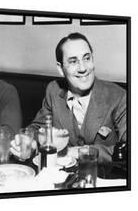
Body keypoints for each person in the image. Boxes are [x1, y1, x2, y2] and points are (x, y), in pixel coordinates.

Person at [11, 32, 126, 162]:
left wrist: (77, 152)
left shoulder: (118, 96)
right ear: (60, 69)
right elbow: (39, 128)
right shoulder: (54, 90)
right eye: (73, 61)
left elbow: (130, 148)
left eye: (86, 58)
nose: (82, 68)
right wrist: (28, 143)